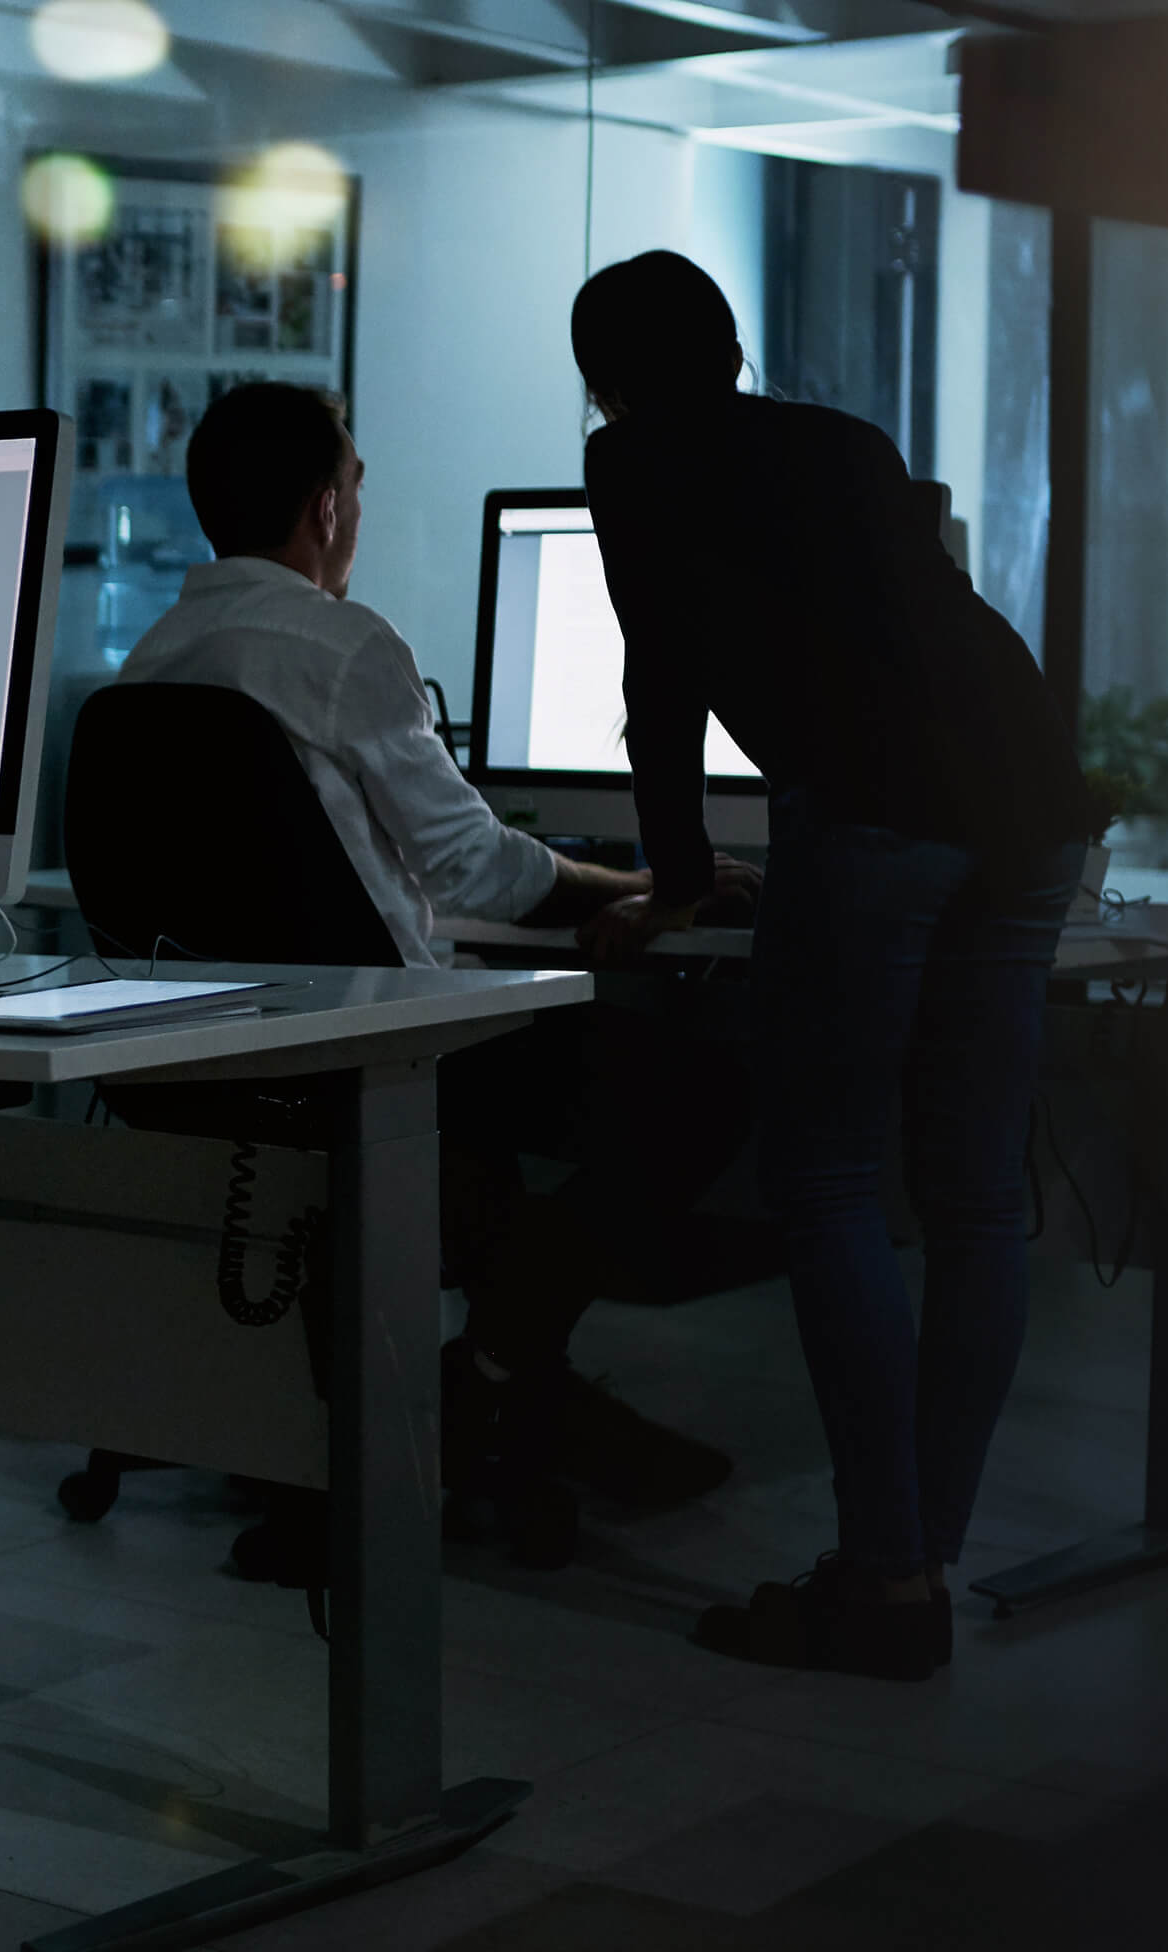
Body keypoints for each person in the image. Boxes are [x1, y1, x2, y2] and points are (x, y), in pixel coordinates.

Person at [113, 381, 750, 1566]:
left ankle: (506, 1393)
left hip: (238, 1053)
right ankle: (491, 1377)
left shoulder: (157, 653)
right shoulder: (340, 643)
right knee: (700, 1093)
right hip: (384, 1045)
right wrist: (658, 887)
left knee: (513, 1124)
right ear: (323, 508)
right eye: (353, 487)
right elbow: (475, 871)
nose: (353, 508)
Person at [572, 251, 1089, 1682]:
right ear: (733, 350)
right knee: (980, 1193)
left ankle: (885, 1577)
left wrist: (675, 883)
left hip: (874, 810)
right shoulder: (844, 440)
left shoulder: (630, 459)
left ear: (601, 384)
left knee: (829, 1179)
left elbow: (655, 682)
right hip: (1033, 796)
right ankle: (909, 1566)